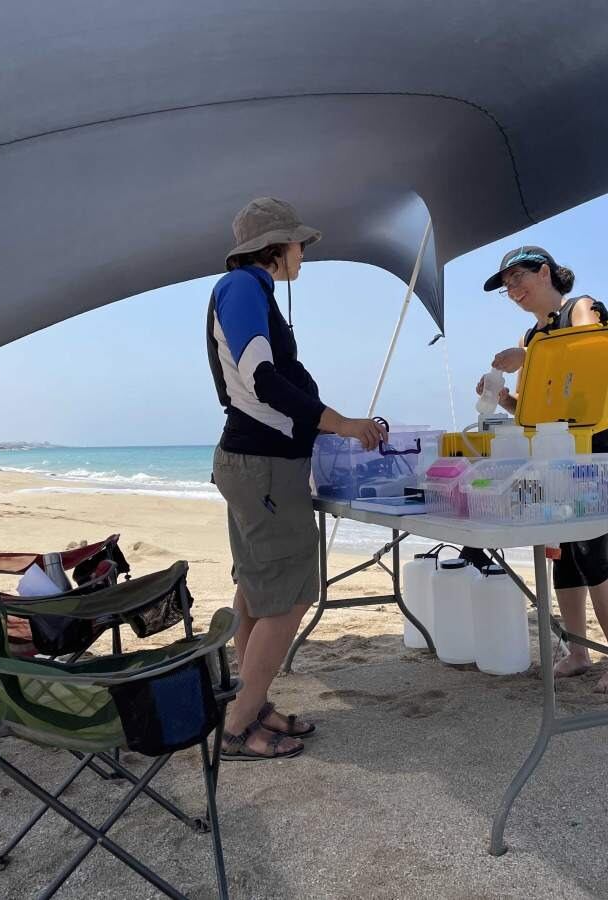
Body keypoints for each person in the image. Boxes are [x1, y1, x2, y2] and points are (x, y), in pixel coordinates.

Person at [207, 197, 386, 759]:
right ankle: (237, 727)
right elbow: (261, 379)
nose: (303, 254)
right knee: (287, 599)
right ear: (275, 248)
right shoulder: (242, 287)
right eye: (299, 245)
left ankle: (252, 704)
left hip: (255, 464)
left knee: (258, 591)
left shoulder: (248, 290)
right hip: (263, 466)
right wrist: (341, 424)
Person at [477, 246, 608, 694]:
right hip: (554, 447)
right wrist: (503, 399)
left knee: (591, 550)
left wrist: (526, 357)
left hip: (596, 444)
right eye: (506, 286)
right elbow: (535, 409)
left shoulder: (580, 308)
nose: (512, 291)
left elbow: (589, 360)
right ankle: (579, 652)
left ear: (544, 272)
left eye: (517, 279)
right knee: (562, 552)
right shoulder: (531, 335)